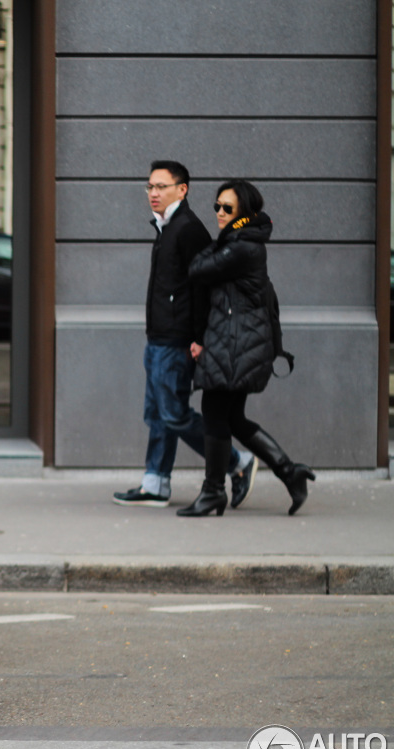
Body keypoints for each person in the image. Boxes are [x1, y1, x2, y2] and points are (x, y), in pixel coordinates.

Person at [113, 161, 255, 508]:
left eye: (161, 186)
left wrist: (198, 337)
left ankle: (236, 462)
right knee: (158, 413)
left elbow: (203, 285)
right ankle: (156, 483)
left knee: (174, 413)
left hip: (176, 339)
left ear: (182, 189)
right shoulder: (166, 227)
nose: (154, 194)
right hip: (160, 336)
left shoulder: (188, 229)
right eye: (150, 187)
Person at [178, 179, 315, 516]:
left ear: (244, 213)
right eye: (217, 207)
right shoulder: (242, 241)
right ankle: (289, 471)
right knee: (232, 417)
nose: (220, 213)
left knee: (214, 412)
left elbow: (196, 269)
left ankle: (213, 492)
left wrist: (214, 243)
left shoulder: (241, 246)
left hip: (235, 344)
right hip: (237, 341)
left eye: (228, 208)